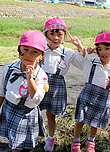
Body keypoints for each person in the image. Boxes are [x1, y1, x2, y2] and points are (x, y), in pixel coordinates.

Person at [0, 30, 49, 152]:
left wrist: (30, 79)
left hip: (27, 114)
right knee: (14, 144)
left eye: (35, 52)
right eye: (25, 50)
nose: (28, 55)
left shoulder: (41, 76)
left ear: (41, 55)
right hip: (9, 109)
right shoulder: (9, 69)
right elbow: (1, 91)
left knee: (22, 147)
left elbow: (37, 98)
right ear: (19, 49)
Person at [71, 32, 110, 152]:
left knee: (95, 123)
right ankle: (76, 142)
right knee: (80, 120)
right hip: (86, 95)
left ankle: (91, 141)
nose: (103, 52)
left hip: (102, 99)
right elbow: (83, 56)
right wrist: (81, 47)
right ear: (96, 50)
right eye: (99, 49)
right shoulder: (91, 62)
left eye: (107, 49)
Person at [39, 17, 85, 152]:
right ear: (45, 34)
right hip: (38, 83)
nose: (55, 38)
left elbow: (83, 65)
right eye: (52, 33)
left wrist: (80, 47)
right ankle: (33, 134)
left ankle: (50, 138)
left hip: (57, 86)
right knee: (33, 110)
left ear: (64, 35)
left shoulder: (68, 52)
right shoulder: (40, 49)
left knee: (51, 115)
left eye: (59, 34)